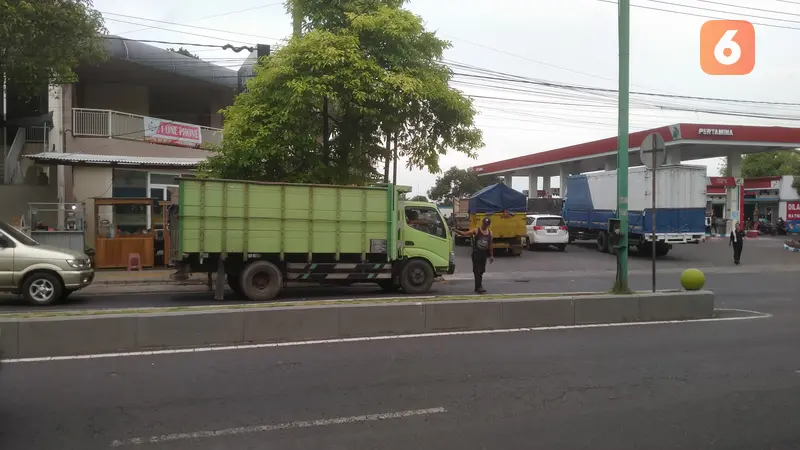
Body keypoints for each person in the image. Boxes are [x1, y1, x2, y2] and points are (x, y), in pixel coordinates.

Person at [455, 217, 494, 294]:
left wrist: (491, 256)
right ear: (482, 223)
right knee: (477, 271)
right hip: (476, 253)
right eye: (484, 223)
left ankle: (478, 286)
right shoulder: (476, 230)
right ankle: (479, 287)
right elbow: (464, 234)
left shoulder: (490, 233)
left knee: (482, 271)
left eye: (486, 224)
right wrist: (456, 230)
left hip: (483, 254)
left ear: (488, 225)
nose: (484, 225)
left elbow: (490, 245)